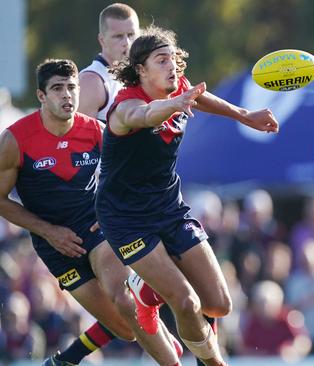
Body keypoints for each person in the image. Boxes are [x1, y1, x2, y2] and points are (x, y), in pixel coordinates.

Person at [95, 25, 279, 366]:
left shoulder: (175, 86)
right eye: (162, 61)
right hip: (126, 219)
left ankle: (146, 291)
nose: (172, 68)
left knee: (219, 305)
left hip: (169, 207)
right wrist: (175, 103)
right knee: (185, 302)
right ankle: (214, 362)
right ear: (140, 70)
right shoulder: (124, 107)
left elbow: (199, 96)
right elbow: (145, 115)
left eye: (174, 60)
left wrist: (245, 115)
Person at [0, 59, 182, 366]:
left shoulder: (98, 131)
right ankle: (74, 356)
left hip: (97, 229)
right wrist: (48, 231)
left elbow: (131, 177)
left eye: (72, 88)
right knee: (125, 329)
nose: (67, 95)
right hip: (53, 244)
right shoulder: (15, 139)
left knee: (126, 302)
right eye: (57, 89)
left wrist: (114, 212)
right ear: (41, 96)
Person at [78, 3, 139, 121]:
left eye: (131, 35)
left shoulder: (139, 75)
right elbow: (81, 137)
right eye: (118, 36)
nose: (127, 42)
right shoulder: (91, 81)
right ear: (102, 40)